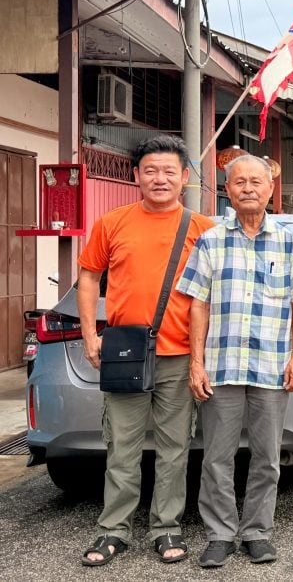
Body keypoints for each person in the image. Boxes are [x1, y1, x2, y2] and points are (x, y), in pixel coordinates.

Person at [176, 155, 293, 568]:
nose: (248, 188)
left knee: (268, 457)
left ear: (270, 188)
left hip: (272, 366)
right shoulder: (211, 240)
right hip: (221, 367)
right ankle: (220, 534)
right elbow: (198, 304)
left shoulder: (290, 241)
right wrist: (196, 362)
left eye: (256, 181)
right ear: (228, 188)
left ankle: (258, 532)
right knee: (216, 457)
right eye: (239, 181)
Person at [78, 135, 215, 567]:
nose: (160, 179)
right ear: (136, 175)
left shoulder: (203, 228)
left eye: (169, 171)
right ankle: (113, 530)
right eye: (151, 170)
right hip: (126, 353)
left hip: (180, 356)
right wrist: (89, 335)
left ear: (185, 178)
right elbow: (87, 279)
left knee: (175, 448)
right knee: (122, 446)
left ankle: (167, 527)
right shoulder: (112, 222)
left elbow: (217, 293)